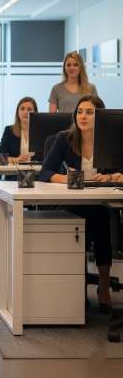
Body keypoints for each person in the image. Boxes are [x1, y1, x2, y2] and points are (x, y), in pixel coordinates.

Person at [39, 95, 123, 312]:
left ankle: (103, 284)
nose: (83, 116)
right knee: (84, 218)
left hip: (102, 200)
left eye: (89, 112)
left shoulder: (112, 138)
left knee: (101, 216)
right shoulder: (64, 138)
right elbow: (45, 172)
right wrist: (66, 178)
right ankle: (77, 282)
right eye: (80, 112)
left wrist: (112, 177)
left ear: (101, 117)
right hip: (73, 201)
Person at [0, 97, 38, 164]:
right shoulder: (9, 130)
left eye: (29, 109)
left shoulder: (40, 131)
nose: (25, 112)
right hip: (14, 172)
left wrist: (30, 159)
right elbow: (1, 158)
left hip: (38, 173)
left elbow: (46, 157)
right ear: (18, 112)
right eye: (22, 109)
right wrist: (16, 159)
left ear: (35, 112)